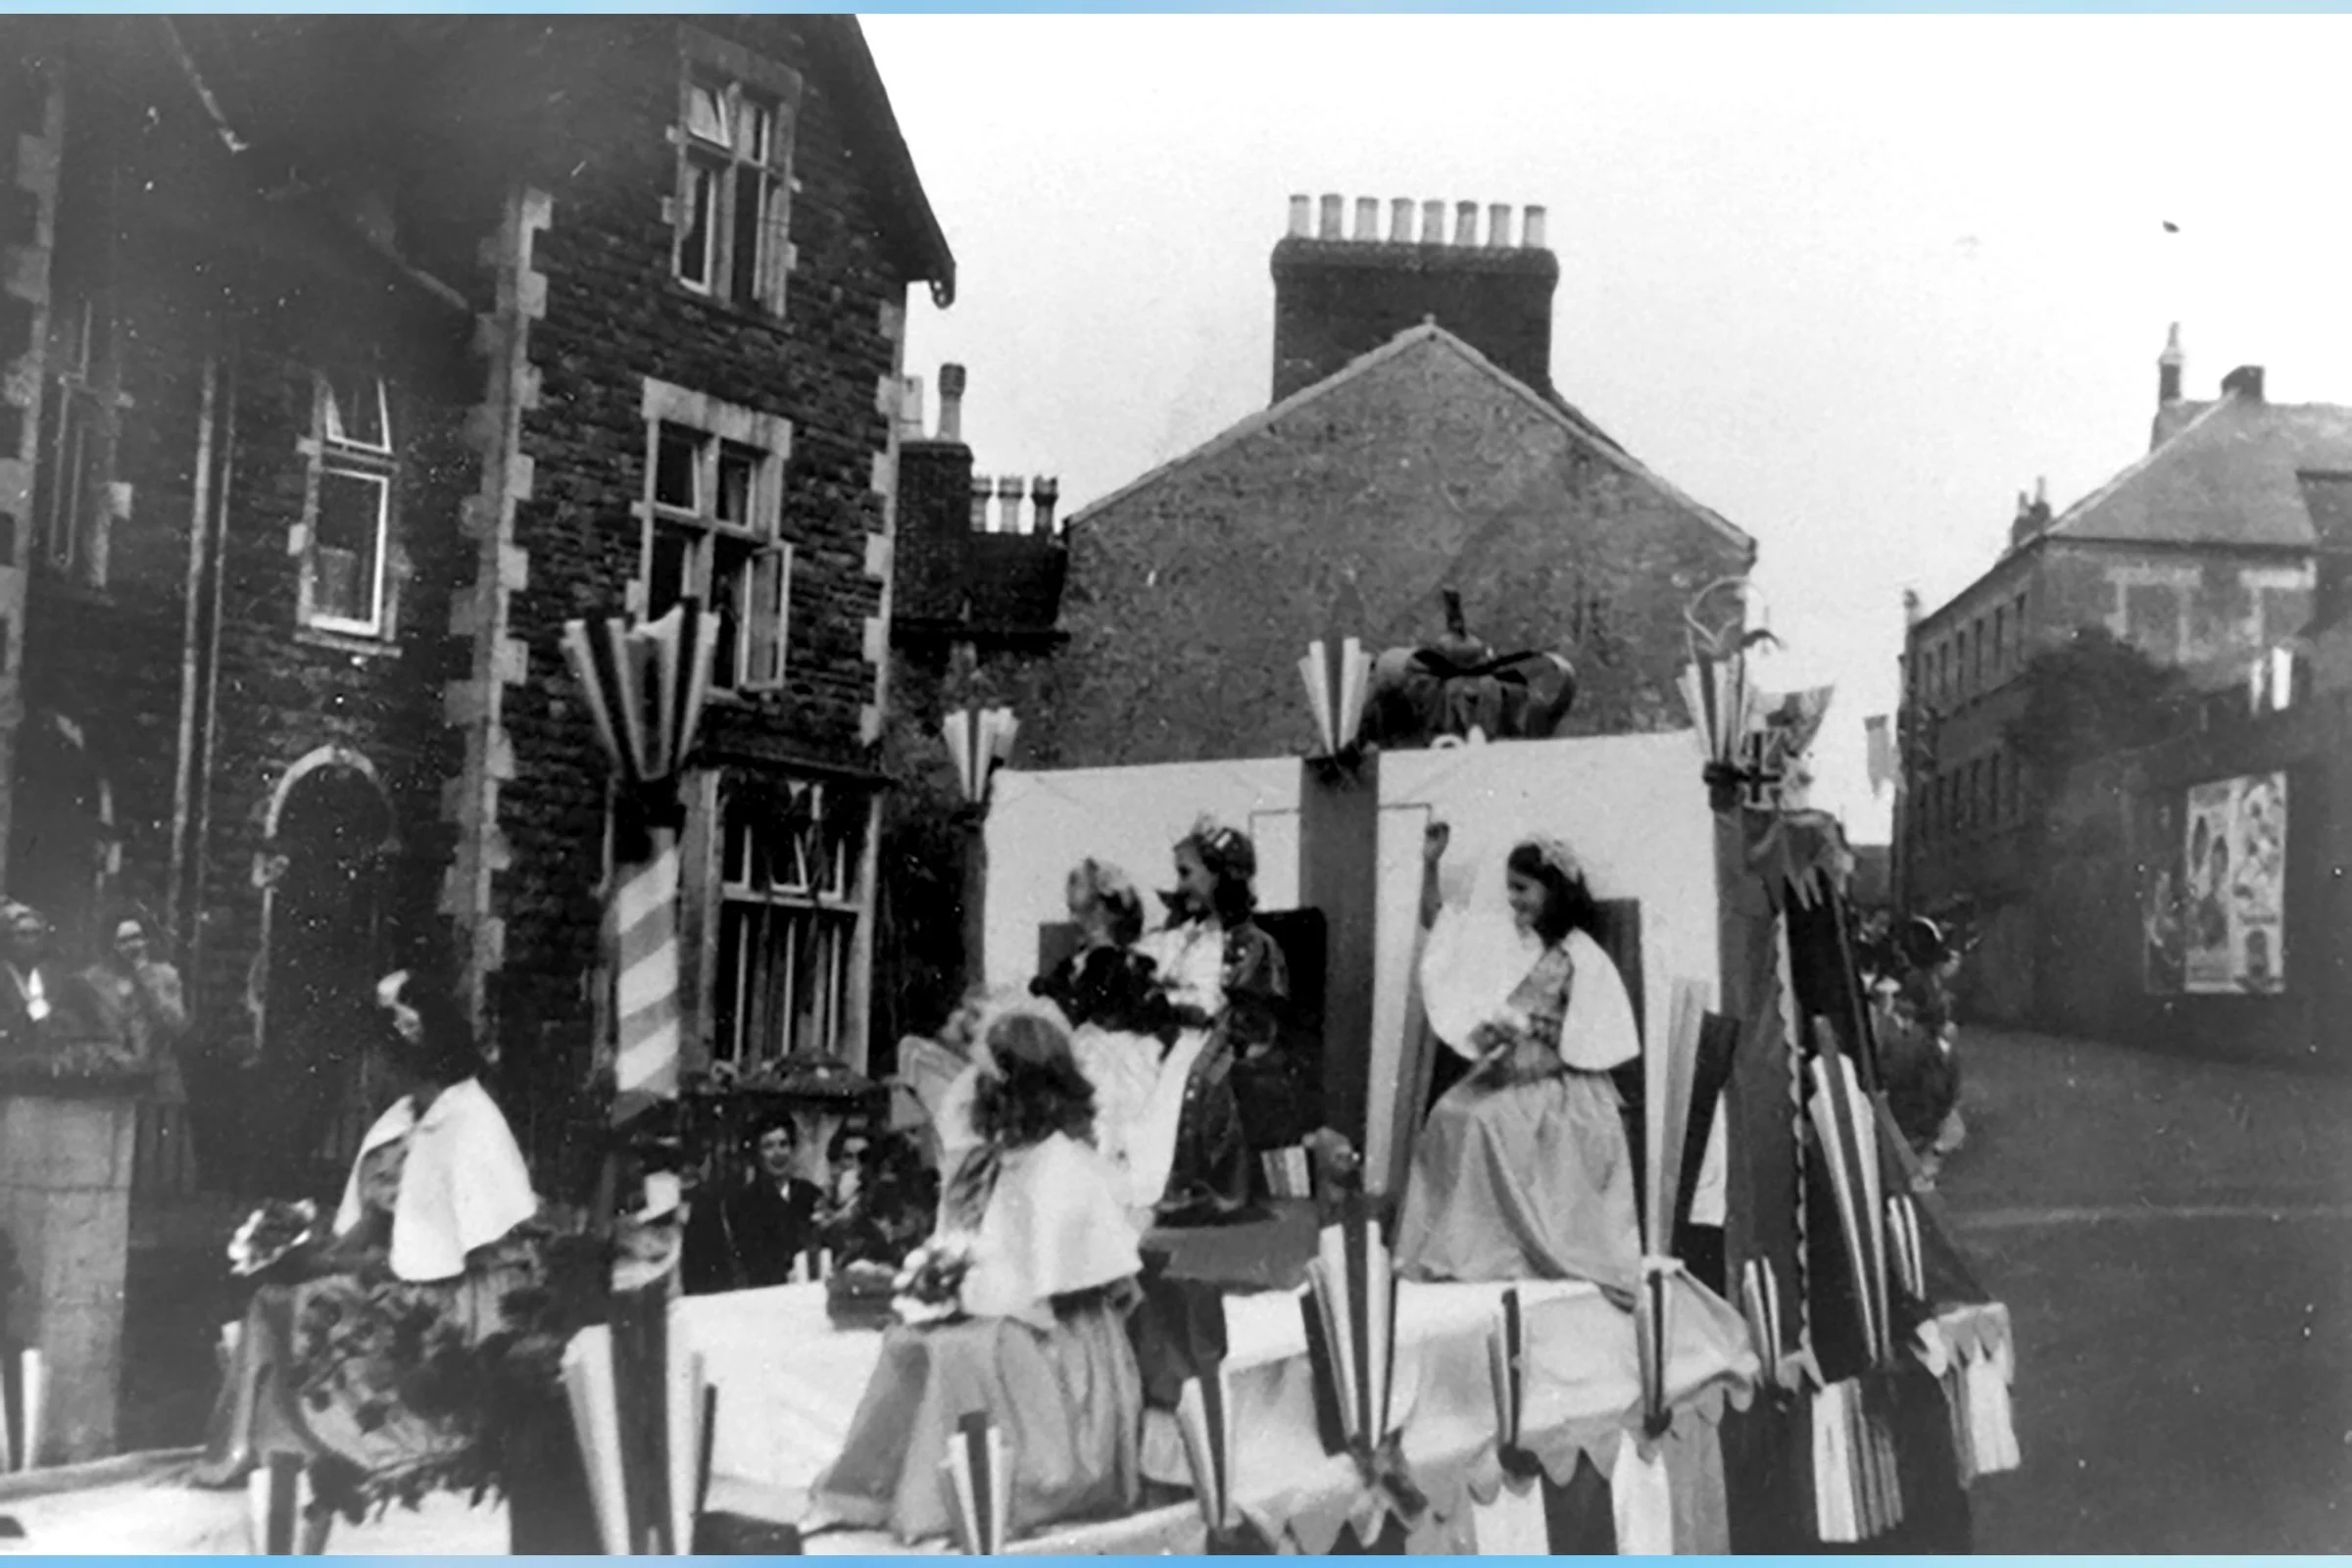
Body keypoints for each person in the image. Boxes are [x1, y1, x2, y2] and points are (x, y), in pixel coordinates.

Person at [193, 967, 540, 1498]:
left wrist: (340, 1267)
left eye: (374, 1062)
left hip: (456, 1292)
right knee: (272, 1297)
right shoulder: (399, 1120)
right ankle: (266, 1444)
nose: (367, 1076)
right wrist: (311, 1251)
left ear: (405, 1059)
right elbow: (373, 1220)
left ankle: (350, 1441)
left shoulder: (470, 1118)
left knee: (319, 1304)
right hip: (403, 1269)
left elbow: (464, 1248)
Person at [811, 1001, 1145, 1544]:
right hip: (1007, 1311)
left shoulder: (1065, 1165)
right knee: (907, 1341)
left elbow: (1048, 1286)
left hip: (1060, 1340)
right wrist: (940, 1283)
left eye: (988, 1081)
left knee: (962, 1352)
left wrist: (966, 1295)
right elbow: (975, 1246)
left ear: (1020, 1088)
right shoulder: (993, 1159)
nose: (975, 1092)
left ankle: (951, 1502)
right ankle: (865, 1492)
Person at [1394, 823, 1642, 1297]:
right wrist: (1431, 864)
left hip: (1558, 1082)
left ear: (1554, 891)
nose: (1515, 900)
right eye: (1510, 889)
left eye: (1523, 889)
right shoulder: (1509, 940)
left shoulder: (1579, 955)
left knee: (1483, 1121)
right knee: (1449, 1112)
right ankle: (1458, 1246)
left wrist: (1533, 1030)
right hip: (1508, 1070)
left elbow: (1588, 1033)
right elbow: (1440, 923)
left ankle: (1499, 1249)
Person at [1131, 819, 1285, 1219]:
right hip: (1171, 1031)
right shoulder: (1185, 934)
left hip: (1220, 1035)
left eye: (1187, 873)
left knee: (1191, 1076)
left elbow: (1249, 1012)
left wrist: (1186, 1013)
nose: (1181, 885)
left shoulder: (1250, 943)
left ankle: (1186, 1185)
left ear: (1220, 876)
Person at [1031, 858, 1171, 1207]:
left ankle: (1109, 1194)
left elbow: (1098, 1004)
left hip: (1117, 1053)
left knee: (1108, 1117)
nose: (1080, 920)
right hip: (1087, 1045)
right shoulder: (1077, 962)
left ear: (1112, 912)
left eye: (1090, 910)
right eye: (1075, 911)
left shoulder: (1122, 963)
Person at [81, 912, 195, 1186]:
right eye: (123, 940)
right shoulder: (93, 980)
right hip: (115, 1069)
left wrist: (148, 980)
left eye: (137, 938)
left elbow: (177, 1025)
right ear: (110, 944)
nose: (132, 946)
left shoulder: (165, 975)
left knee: (157, 1144)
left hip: (158, 1069)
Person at [683, 1110, 825, 1295]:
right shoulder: (742, 1202)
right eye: (768, 1146)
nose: (778, 1154)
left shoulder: (810, 1193)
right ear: (757, 1154)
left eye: (784, 1144)